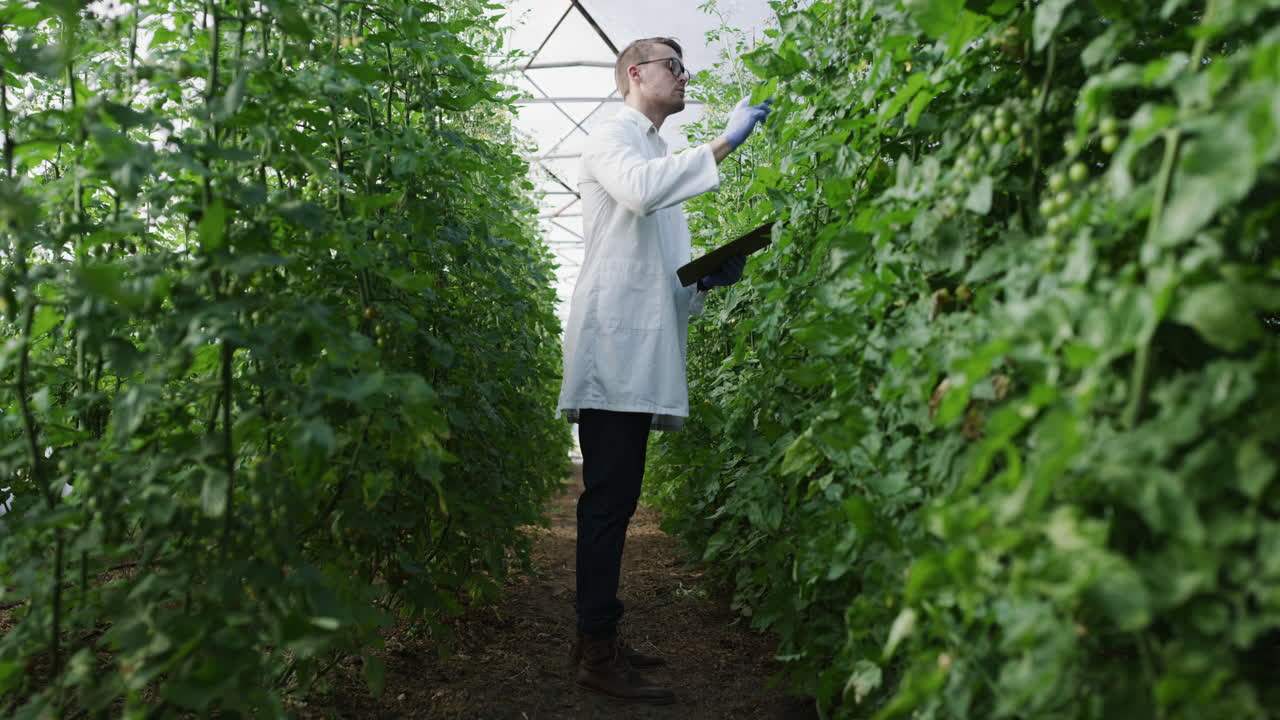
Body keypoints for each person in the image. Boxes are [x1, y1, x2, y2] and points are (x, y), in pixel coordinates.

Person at [556, 36, 772, 704]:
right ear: (635, 73)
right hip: (610, 354)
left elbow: (657, 278)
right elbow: (641, 193)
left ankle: (600, 637)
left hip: (636, 352)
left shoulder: (653, 150)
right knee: (607, 505)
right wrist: (725, 144)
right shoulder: (611, 137)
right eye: (674, 67)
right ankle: (595, 650)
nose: (685, 78)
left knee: (616, 504)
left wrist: (706, 280)